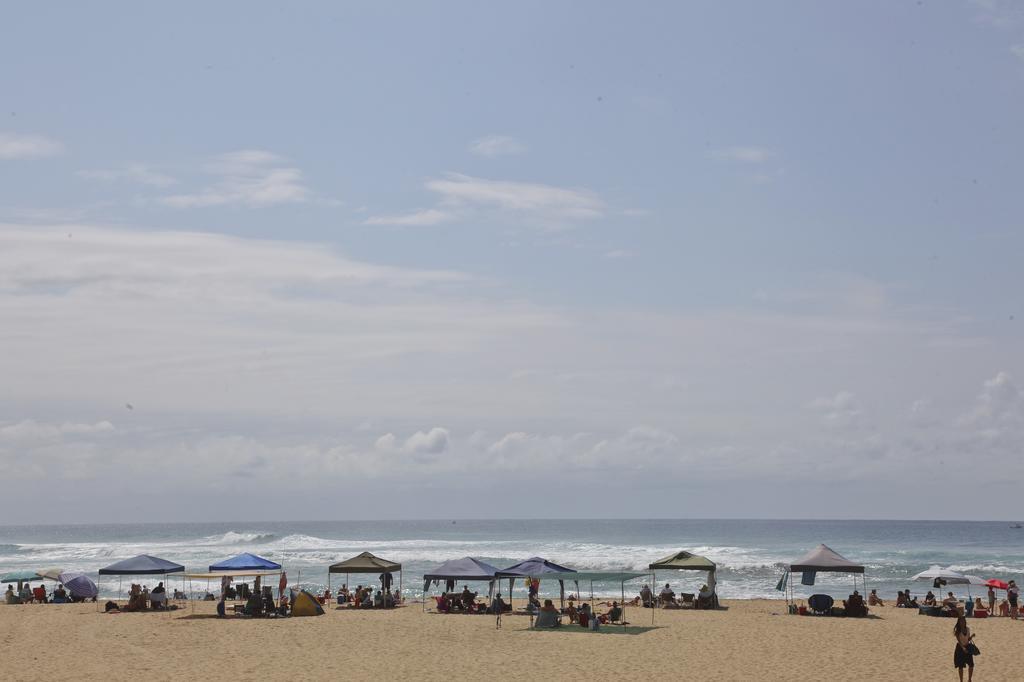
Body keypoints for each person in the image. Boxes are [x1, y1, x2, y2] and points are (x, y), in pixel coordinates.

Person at [953, 615, 975, 682]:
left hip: (967, 647)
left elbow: (967, 639)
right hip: (960, 649)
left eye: (963, 620)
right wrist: (963, 648)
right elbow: (959, 641)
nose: (962, 622)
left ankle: (969, 680)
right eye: (961, 621)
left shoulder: (968, 629)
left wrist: (971, 637)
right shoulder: (958, 631)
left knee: (971, 664)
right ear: (959, 622)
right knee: (960, 666)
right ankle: (961, 681)